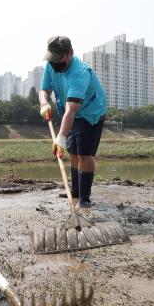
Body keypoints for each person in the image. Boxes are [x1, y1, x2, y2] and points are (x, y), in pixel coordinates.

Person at [38, 36, 107, 209]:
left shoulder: (80, 73)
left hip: (91, 113)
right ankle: (75, 191)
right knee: (73, 152)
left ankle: (84, 199)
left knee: (85, 154)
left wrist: (60, 137)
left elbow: (71, 110)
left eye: (58, 59)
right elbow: (44, 90)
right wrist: (44, 103)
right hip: (71, 114)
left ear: (70, 54)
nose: (54, 64)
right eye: (52, 59)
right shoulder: (51, 65)